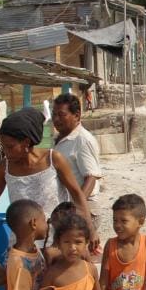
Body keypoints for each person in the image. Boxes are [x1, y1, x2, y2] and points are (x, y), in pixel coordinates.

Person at [0, 107, 96, 249]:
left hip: (58, 242)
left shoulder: (53, 160)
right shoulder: (4, 168)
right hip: (22, 244)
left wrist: (90, 229)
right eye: (3, 147)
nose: (5, 152)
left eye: (10, 146)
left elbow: (77, 195)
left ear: (26, 142)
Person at [51, 93, 104, 236]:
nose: (56, 119)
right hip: (69, 208)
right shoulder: (61, 138)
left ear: (76, 115)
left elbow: (91, 177)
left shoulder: (82, 140)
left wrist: (77, 208)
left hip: (84, 207)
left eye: (61, 115)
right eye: (54, 114)